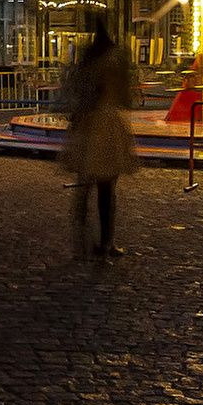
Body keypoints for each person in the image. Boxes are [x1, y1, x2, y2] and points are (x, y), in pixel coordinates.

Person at [61, 19, 139, 261]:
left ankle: (81, 239)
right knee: (107, 188)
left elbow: (77, 91)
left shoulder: (87, 60)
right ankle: (107, 241)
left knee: (84, 185)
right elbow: (126, 97)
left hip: (87, 124)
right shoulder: (116, 59)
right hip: (108, 126)